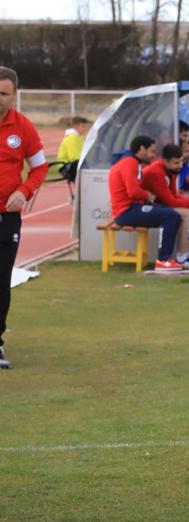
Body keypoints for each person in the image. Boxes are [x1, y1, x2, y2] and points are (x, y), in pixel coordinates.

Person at [0, 67, 48, 369]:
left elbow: (40, 168)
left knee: (1, 281)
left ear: (14, 95)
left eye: (3, 93)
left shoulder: (24, 128)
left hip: (7, 218)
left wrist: (25, 190)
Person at [108, 135, 183, 272]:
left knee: (169, 213)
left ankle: (173, 258)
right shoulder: (130, 162)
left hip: (130, 208)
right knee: (171, 216)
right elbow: (132, 192)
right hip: (126, 211)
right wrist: (147, 195)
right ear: (142, 149)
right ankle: (163, 260)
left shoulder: (130, 162)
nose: (154, 156)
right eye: (152, 151)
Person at [140, 142, 189, 270]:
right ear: (165, 161)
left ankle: (186, 256)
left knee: (188, 213)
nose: (180, 165)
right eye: (176, 163)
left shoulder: (170, 170)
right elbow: (170, 201)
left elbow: (173, 195)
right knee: (187, 214)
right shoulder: (156, 171)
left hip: (155, 204)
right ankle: (180, 257)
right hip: (142, 207)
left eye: (181, 161)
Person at [57, 116, 91, 197]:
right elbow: (75, 157)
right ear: (76, 126)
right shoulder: (72, 138)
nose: (86, 128)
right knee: (83, 166)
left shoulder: (77, 137)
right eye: (83, 126)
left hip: (72, 165)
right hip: (66, 167)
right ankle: (80, 196)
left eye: (87, 126)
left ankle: (84, 194)